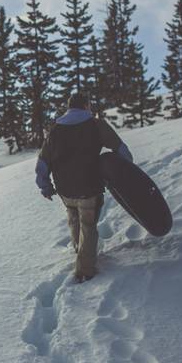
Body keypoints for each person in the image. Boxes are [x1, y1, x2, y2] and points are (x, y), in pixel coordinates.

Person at [35, 93, 132, 283]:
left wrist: (45, 186)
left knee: (74, 219)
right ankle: (85, 271)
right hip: (89, 187)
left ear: (69, 107)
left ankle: (79, 251)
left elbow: (42, 161)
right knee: (88, 226)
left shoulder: (55, 129)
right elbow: (121, 150)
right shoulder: (95, 124)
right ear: (86, 105)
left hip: (64, 189)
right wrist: (126, 169)